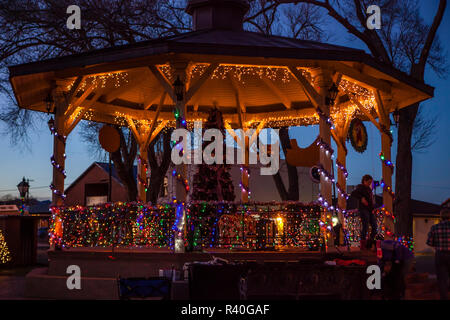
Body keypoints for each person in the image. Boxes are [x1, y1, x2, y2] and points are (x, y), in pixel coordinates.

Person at [379, 230, 414, 300]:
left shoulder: (383, 245)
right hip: (400, 260)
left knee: (400, 276)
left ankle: (401, 294)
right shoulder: (381, 250)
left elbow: (397, 246)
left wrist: (397, 260)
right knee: (398, 277)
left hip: (405, 258)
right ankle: (400, 294)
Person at [427, 199, 450, 300]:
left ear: (441, 216)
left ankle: (444, 297)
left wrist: (439, 244)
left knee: (442, 278)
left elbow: (429, 242)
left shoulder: (435, 228)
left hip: (440, 254)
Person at [351, 174, 377, 249]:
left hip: (369, 210)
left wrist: (372, 208)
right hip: (363, 209)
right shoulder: (360, 187)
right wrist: (362, 198)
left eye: (370, 182)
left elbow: (370, 200)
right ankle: (363, 244)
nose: (370, 184)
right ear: (364, 181)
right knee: (365, 226)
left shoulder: (369, 189)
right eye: (369, 182)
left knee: (374, 226)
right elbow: (354, 193)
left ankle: (369, 242)